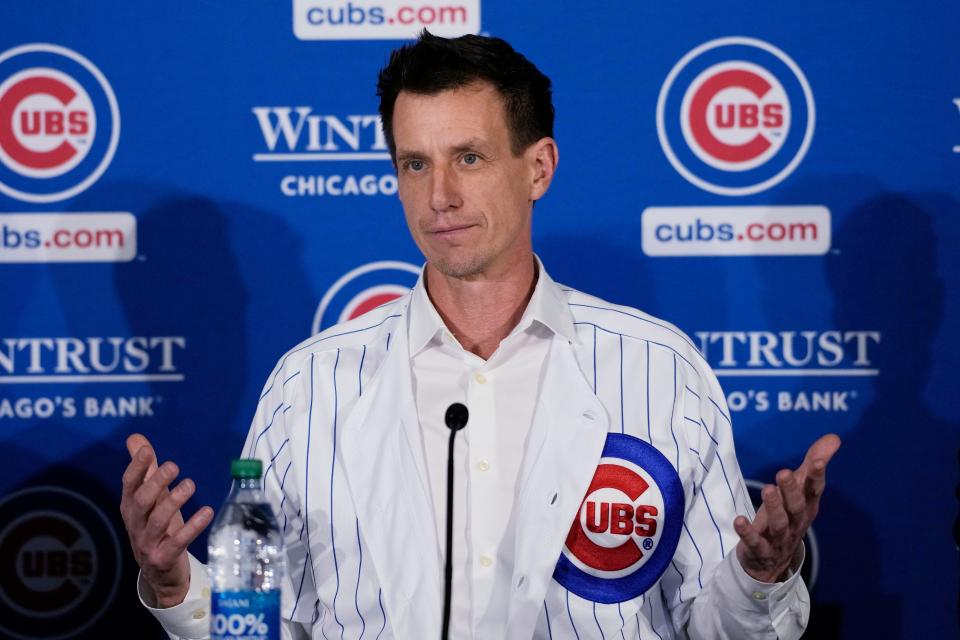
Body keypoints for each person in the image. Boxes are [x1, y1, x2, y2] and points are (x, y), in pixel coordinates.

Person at [120, 32, 840, 639]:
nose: (440, 197)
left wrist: (761, 576)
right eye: (414, 164)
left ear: (538, 168)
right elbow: (258, 623)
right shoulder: (308, 387)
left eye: (468, 157)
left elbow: (716, 627)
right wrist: (178, 582)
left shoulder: (659, 370)